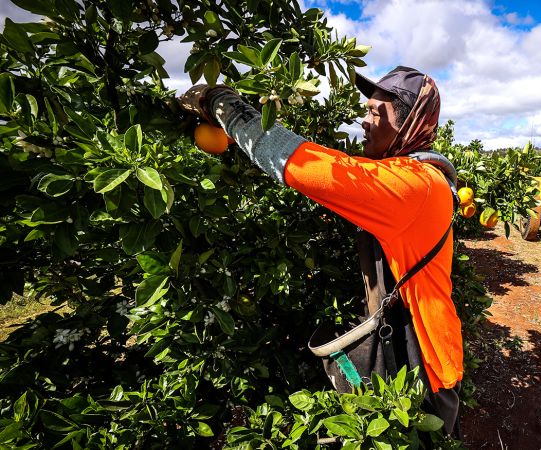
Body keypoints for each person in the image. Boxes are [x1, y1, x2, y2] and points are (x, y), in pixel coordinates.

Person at [177, 66, 463, 436]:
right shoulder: (418, 176)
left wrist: (224, 106)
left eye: (378, 112)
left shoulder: (413, 186)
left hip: (424, 364)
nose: (364, 119)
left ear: (409, 124)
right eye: (367, 109)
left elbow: (303, 164)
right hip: (419, 350)